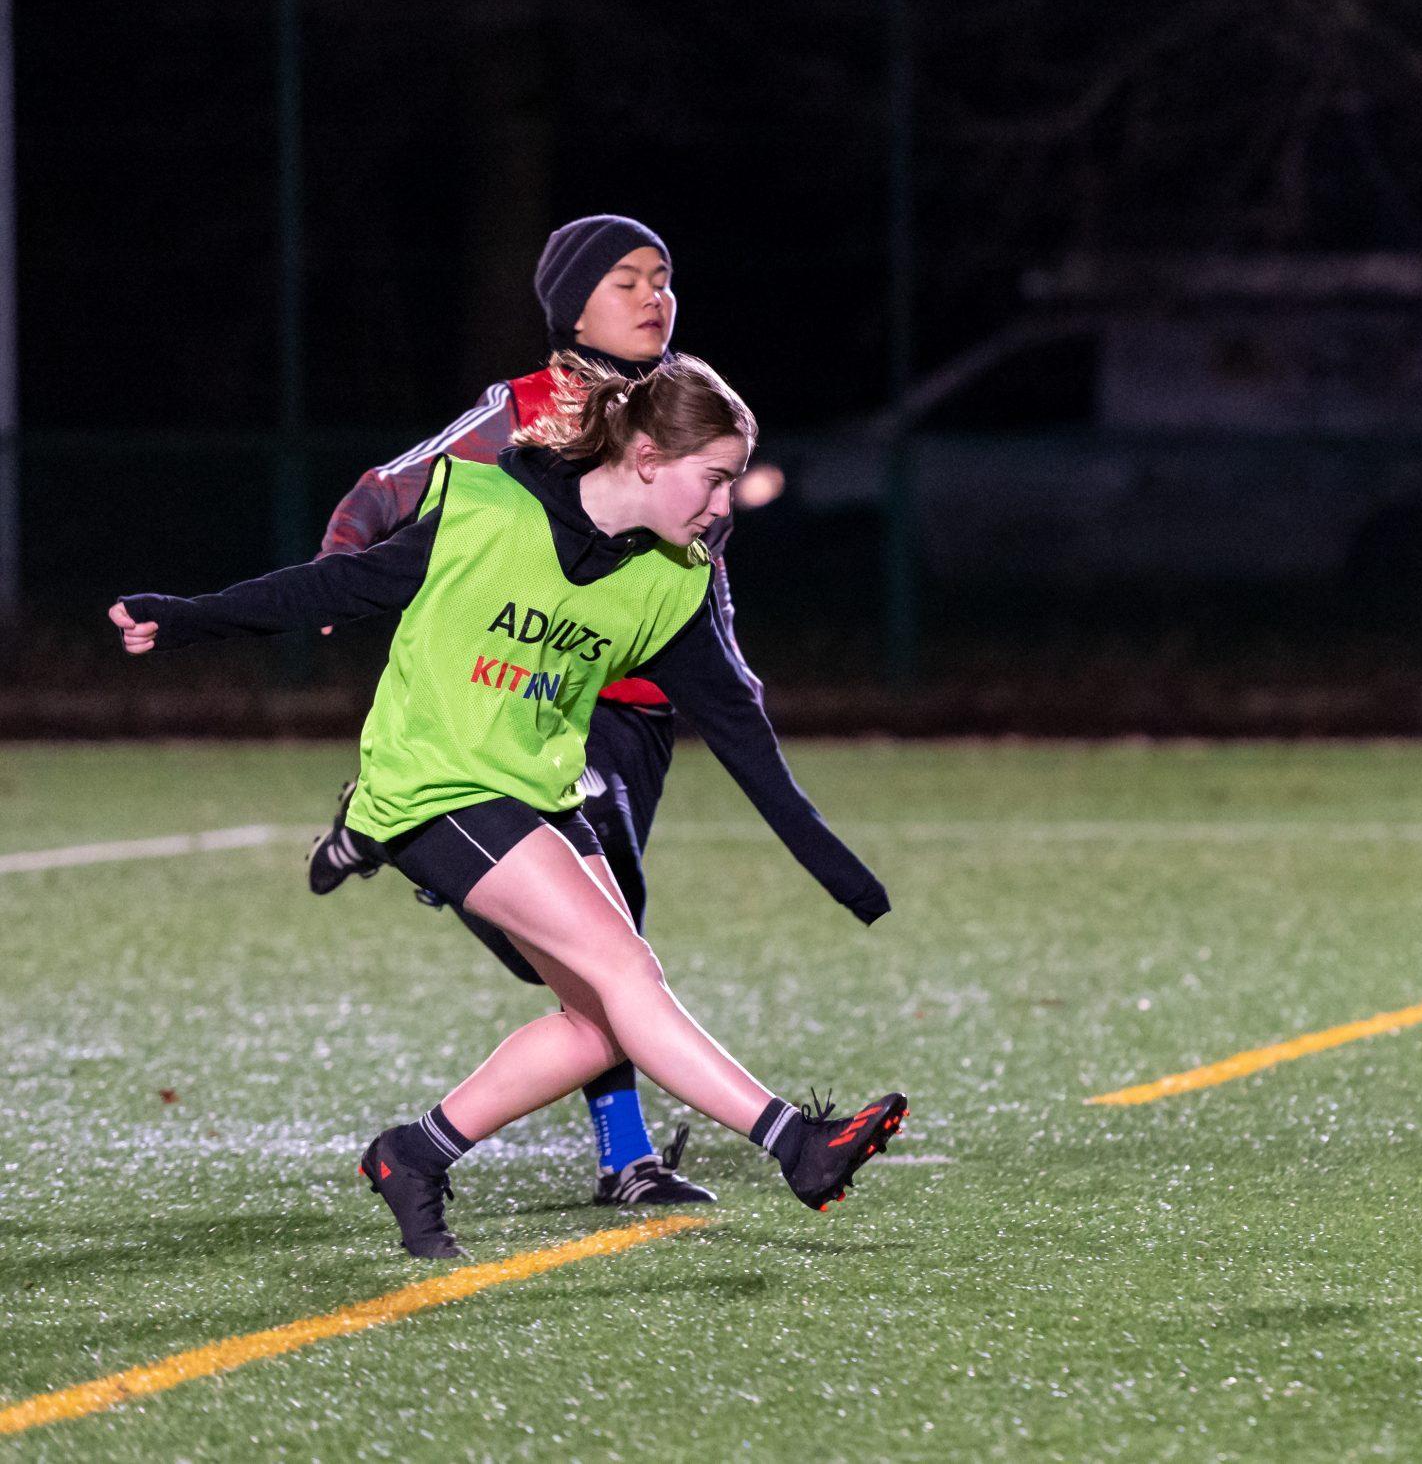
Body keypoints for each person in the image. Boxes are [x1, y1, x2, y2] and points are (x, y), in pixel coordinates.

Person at [111, 353, 910, 1258]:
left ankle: (413, 1155)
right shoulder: (487, 511)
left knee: (596, 1023)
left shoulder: (669, 581)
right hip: (431, 785)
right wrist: (183, 617)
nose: (723, 504)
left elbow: (740, 730)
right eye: (714, 478)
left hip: (539, 790)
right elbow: (333, 588)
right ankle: (792, 1143)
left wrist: (836, 869)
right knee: (628, 973)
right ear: (647, 457)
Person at [305, 215, 865, 1210]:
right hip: (541, 700)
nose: (656, 297)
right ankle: (627, 1153)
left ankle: (410, 851)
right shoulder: (519, 409)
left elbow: (702, 569)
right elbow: (388, 489)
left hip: (643, 713)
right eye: (627, 280)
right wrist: (335, 571)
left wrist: (729, 684)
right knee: (610, 945)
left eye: (665, 278)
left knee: (595, 960)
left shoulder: (689, 410)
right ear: (571, 304)